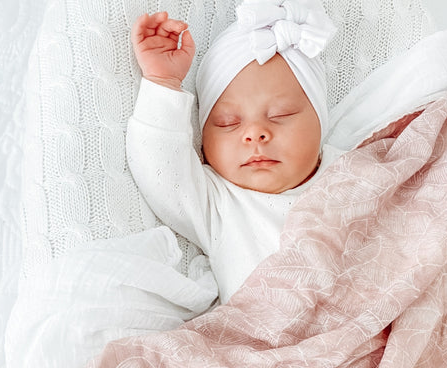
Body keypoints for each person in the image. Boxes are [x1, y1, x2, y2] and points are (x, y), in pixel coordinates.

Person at [126, 1, 341, 303]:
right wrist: (162, 82)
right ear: (204, 144)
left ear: (320, 121)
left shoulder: (354, 172)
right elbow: (160, 170)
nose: (255, 133)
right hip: (270, 330)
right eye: (228, 123)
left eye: (281, 114)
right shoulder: (219, 202)